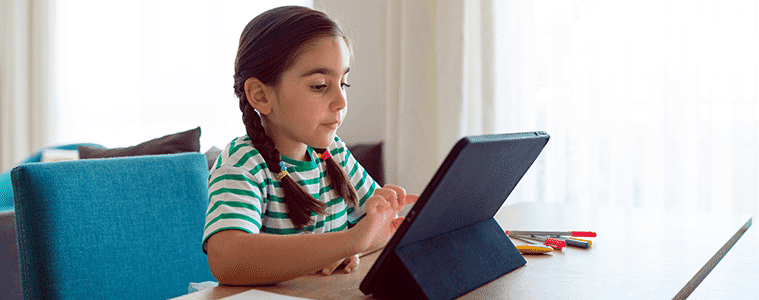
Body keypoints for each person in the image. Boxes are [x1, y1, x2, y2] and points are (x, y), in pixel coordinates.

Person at [202, 6, 418, 286]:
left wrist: (352, 245)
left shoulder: (333, 153)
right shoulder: (243, 162)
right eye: (319, 85)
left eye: (344, 83)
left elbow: (383, 229)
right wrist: (348, 241)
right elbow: (226, 258)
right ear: (260, 95)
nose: (341, 101)